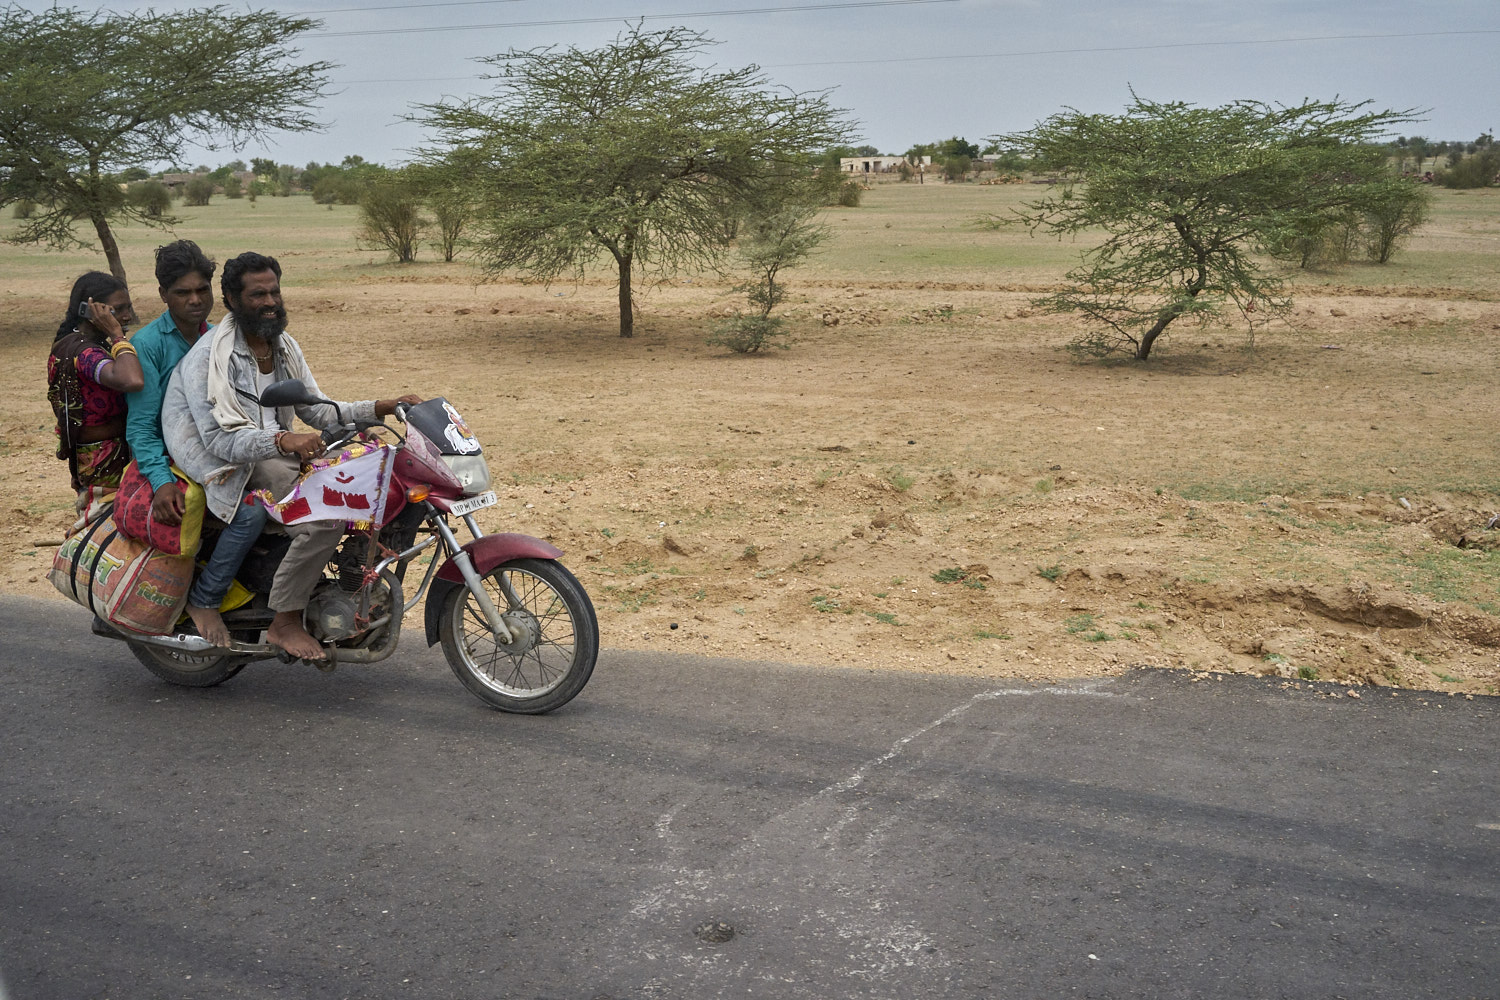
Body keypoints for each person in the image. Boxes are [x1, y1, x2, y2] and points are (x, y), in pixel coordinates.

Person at [163, 252, 418, 661]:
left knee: (366, 486)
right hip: (223, 463)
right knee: (325, 515)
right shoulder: (209, 360)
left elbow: (318, 410)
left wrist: (384, 405)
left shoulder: (282, 347)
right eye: (257, 294)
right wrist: (284, 440)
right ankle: (284, 621)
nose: (270, 302)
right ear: (231, 298)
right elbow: (220, 440)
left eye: (274, 292)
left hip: (269, 450)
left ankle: (343, 588)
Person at [126, 240, 267, 648]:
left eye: (201, 290)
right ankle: (205, 599)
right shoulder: (149, 345)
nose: (194, 300)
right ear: (162, 295)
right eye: (182, 293)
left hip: (221, 447)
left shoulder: (219, 337)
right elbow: (142, 428)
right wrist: (160, 482)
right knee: (251, 513)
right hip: (174, 460)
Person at [47, 271, 143, 524]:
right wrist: (117, 336)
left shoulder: (68, 343)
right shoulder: (87, 353)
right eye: (117, 309)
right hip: (105, 460)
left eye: (128, 307)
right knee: (107, 524)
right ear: (90, 310)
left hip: (89, 458)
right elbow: (131, 380)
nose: (126, 316)